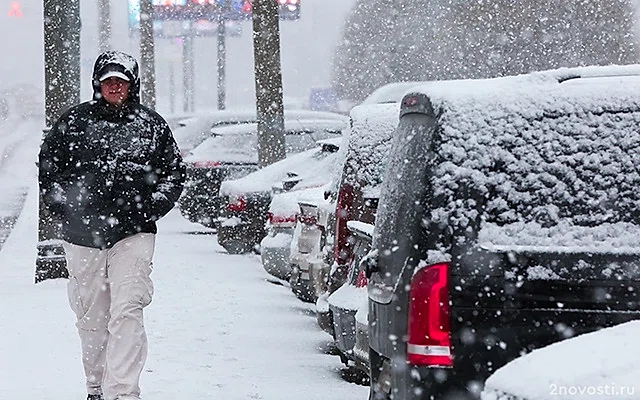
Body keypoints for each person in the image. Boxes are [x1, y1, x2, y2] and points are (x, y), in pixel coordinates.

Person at [38, 50, 186, 400]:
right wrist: (64, 207)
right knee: (91, 317)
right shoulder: (73, 123)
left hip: (132, 235)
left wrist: (150, 209)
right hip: (82, 235)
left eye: (121, 80)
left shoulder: (151, 126)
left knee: (128, 310)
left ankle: (122, 392)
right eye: (108, 81)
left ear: (132, 85)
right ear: (97, 84)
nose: (115, 87)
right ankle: (96, 387)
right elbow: (49, 170)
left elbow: (174, 173)